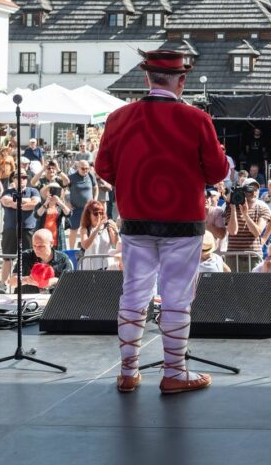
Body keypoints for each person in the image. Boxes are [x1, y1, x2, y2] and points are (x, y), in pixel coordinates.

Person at [95, 48, 229, 395]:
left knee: (133, 294)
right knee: (176, 298)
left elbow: (103, 168)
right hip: (183, 222)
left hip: (136, 218)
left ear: (146, 77)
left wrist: (129, 183)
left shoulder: (119, 117)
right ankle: (174, 372)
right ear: (181, 80)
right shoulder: (198, 120)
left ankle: (128, 371)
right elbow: (217, 171)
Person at [0, 170, 41, 286]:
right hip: (10, 228)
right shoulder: (7, 191)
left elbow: (34, 204)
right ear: (13, 179)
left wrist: (16, 203)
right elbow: (6, 201)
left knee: (30, 257)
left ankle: (31, 283)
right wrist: (25, 202)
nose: (22, 179)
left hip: (28, 229)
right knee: (7, 257)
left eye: (24, 177)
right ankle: (4, 284)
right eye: (18, 177)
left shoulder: (33, 190)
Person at [65, 160, 99, 249]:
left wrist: (95, 199)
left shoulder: (90, 175)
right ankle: (71, 250)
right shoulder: (71, 177)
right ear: (78, 168)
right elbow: (63, 190)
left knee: (89, 229)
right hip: (76, 209)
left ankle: (88, 248)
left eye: (87, 168)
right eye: (83, 169)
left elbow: (96, 188)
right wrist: (66, 202)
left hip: (89, 209)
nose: (85, 171)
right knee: (74, 230)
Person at [77, 199, 119, 270]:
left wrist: (116, 231)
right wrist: (97, 229)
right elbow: (85, 245)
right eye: (95, 213)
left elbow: (116, 243)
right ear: (88, 215)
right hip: (91, 268)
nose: (99, 216)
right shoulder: (85, 229)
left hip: (106, 266)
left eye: (101, 213)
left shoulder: (107, 227)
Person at [34, 183, 72, 250]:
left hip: (57, 238)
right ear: (46, 192)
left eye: (56, 190)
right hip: (42, 238)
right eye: (51, 190)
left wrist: (60, 202)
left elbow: (69, 214)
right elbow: (37, 215)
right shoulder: (40, 204)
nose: (53, 192)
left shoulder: (59, 206)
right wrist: (46, 202)